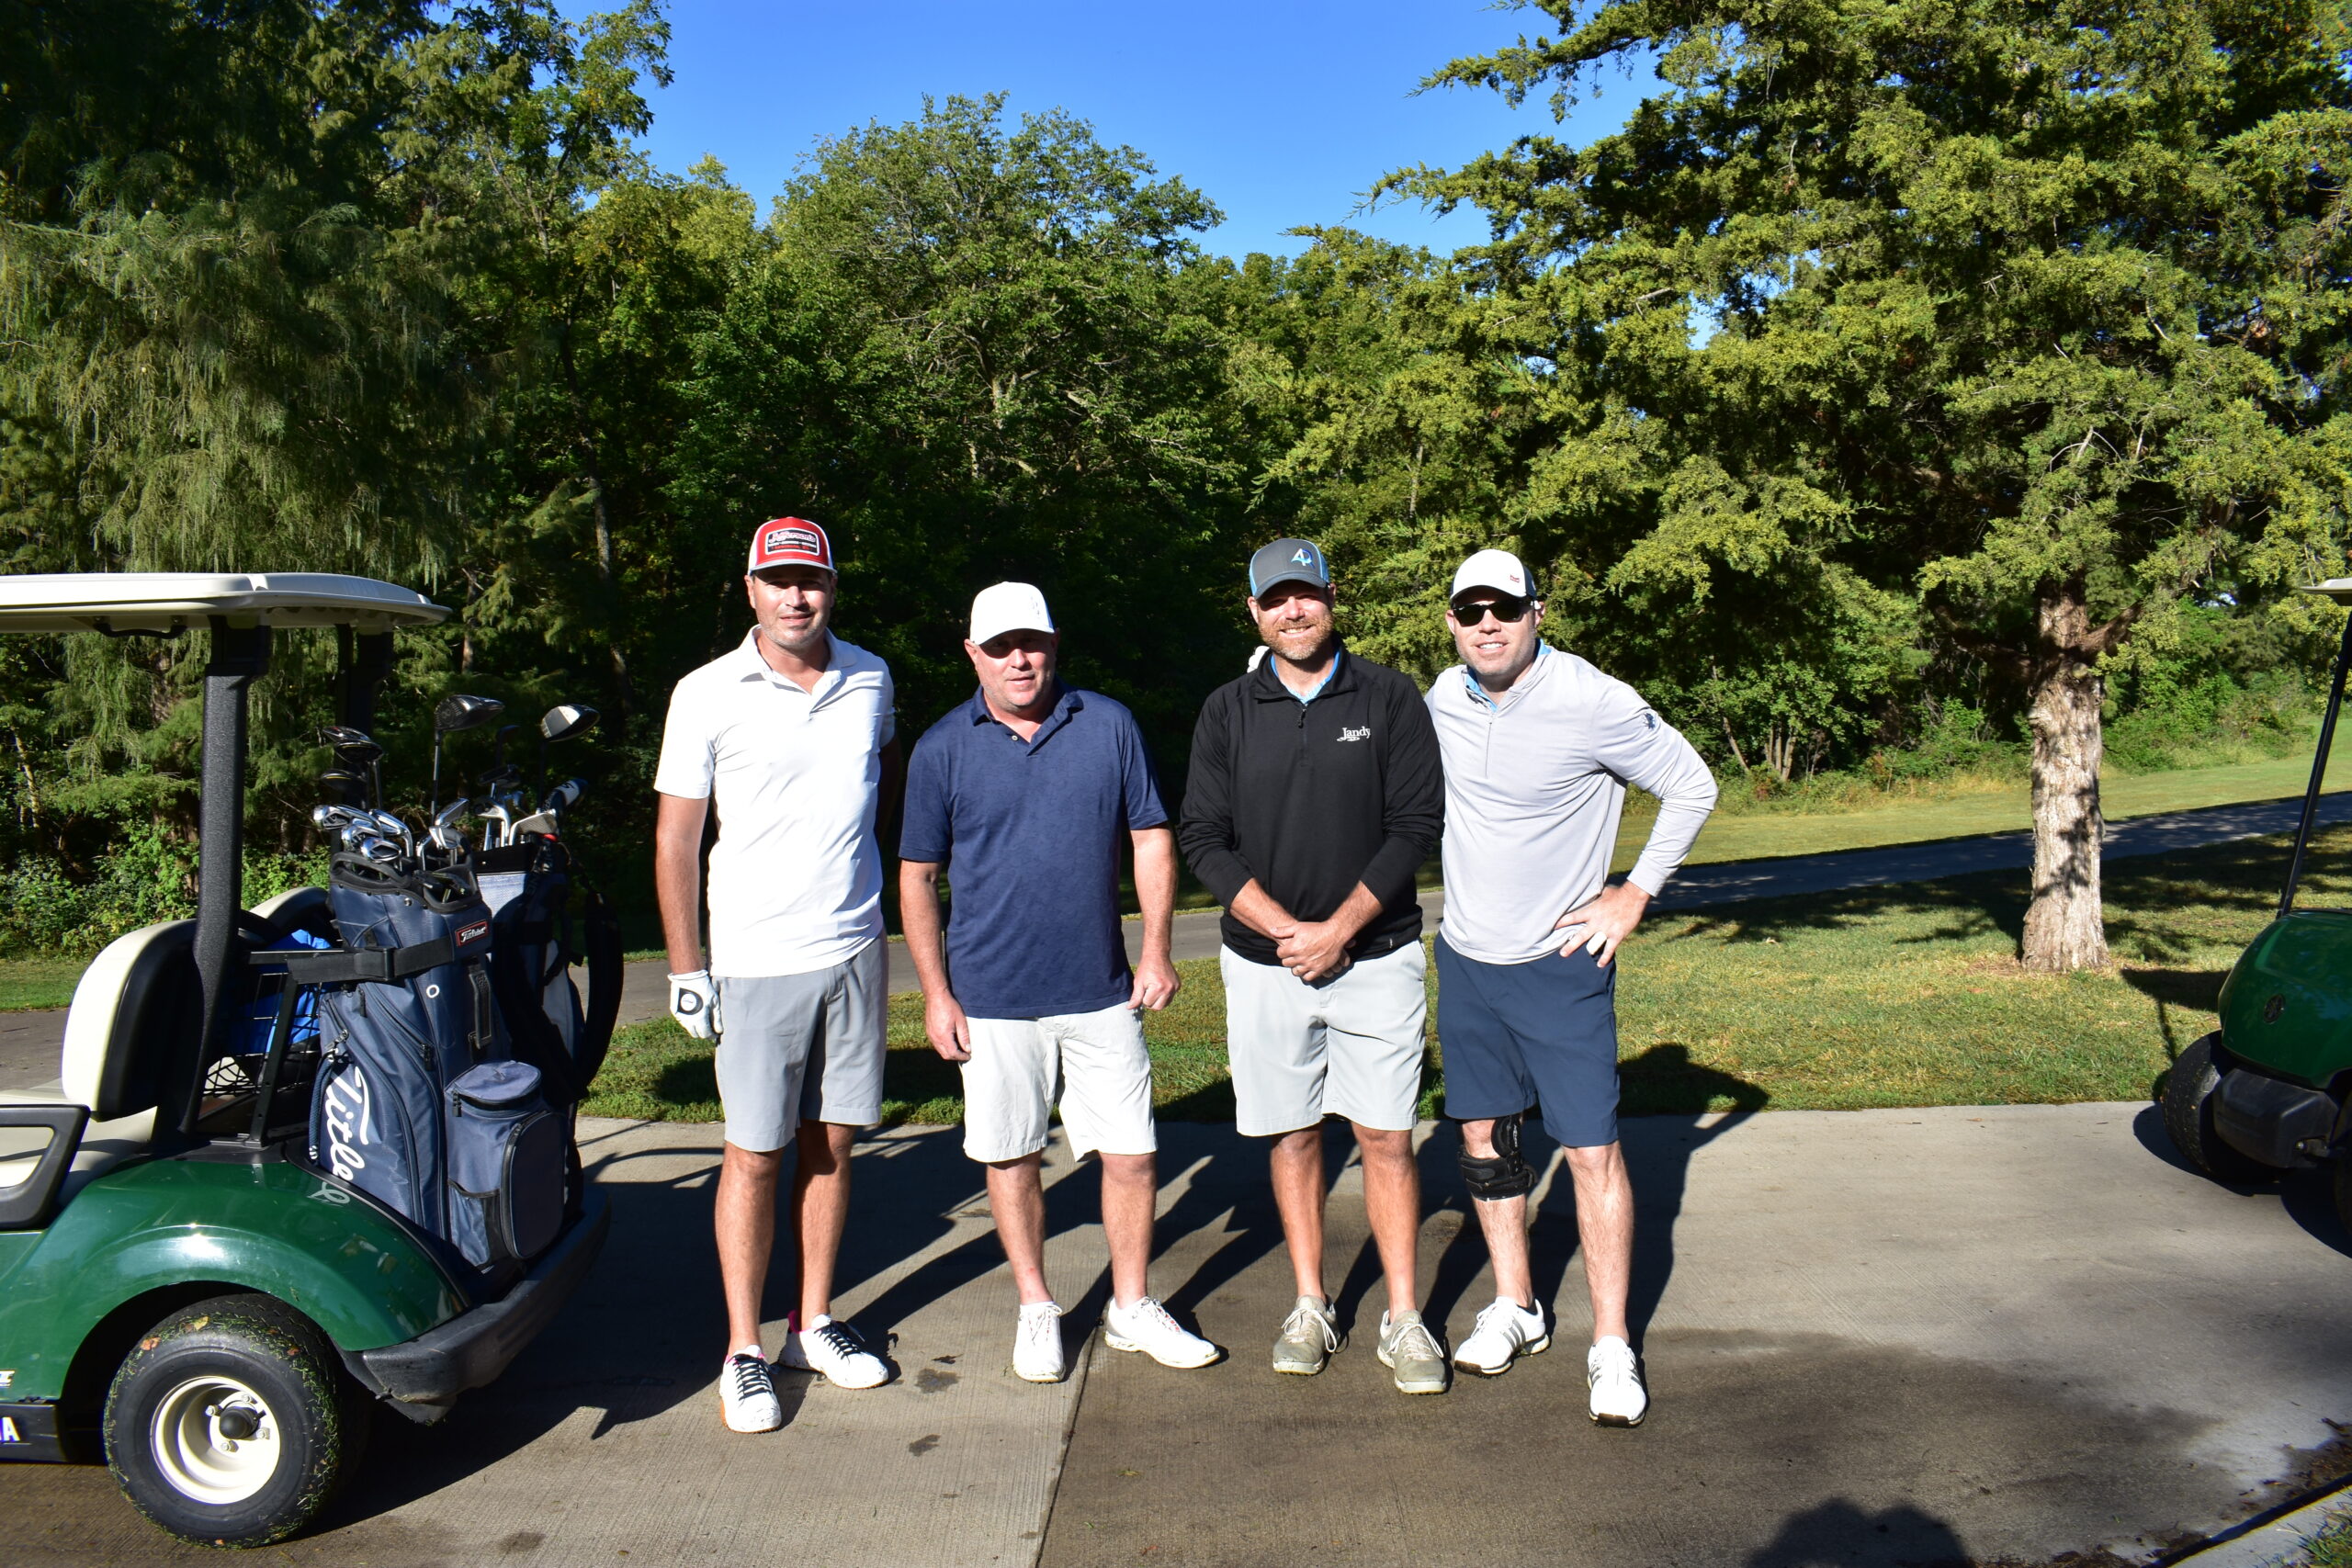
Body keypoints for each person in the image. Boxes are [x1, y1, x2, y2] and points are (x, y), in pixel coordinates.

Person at [1423, 547, 1718, 1427]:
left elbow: (1692, 785)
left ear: (1536, 613)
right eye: (1470, 610)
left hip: (1561, 966)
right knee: (1484, 1138)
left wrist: (1635, 892)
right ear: (1451, 621)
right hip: (1467, 960)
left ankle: (1612, 1344)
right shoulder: (1443, 696)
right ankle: (1517, 1305)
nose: (1488, 625)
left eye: (1504, 609)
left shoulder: (1594, 699)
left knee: (1590, 1153)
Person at [899, 582, 1220, 1382]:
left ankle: (1131, 1303)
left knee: (1133, 1155)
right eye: (1000, 646)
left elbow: (1150, 837)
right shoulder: (942, 747)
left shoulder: (1107, 724)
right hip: (992, 998)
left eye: (1032, 642)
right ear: (972, 654)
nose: (1019, 659)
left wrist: (1157, 950)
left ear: (1054, 643)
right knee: (1012, 1156)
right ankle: (1037, 1306)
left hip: (1101, 990)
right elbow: (917, 875)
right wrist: (936, 993)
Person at [1177, 537, 1449, 1394]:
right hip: (1266, 964)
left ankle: (1403, 1315)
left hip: (1377, 954)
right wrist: (1288, 930)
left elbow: (1416, 824)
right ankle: (1311, 1301)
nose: (1294, 610)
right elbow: (1202, 838)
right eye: (1276, 599)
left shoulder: (1389, 695)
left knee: (1386, 1137)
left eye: (1307, 594)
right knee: (1293, 1134)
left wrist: (1338, 928)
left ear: (1333, 598)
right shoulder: (1227, 709)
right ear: (1254, 612)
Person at [654, 517, 900, 1435]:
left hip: (854, 948)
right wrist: (687, 967)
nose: (797, 596)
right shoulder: (704, 692)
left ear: (832, 586)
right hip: (756, 959)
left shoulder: (871, 678)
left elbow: (873, 795)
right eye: (779, 580)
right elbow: (677, 838)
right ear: (751, 589)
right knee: (754, 1155)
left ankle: (812, 1322)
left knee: (831, 1145)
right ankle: (742, 1350)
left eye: (813, 580)